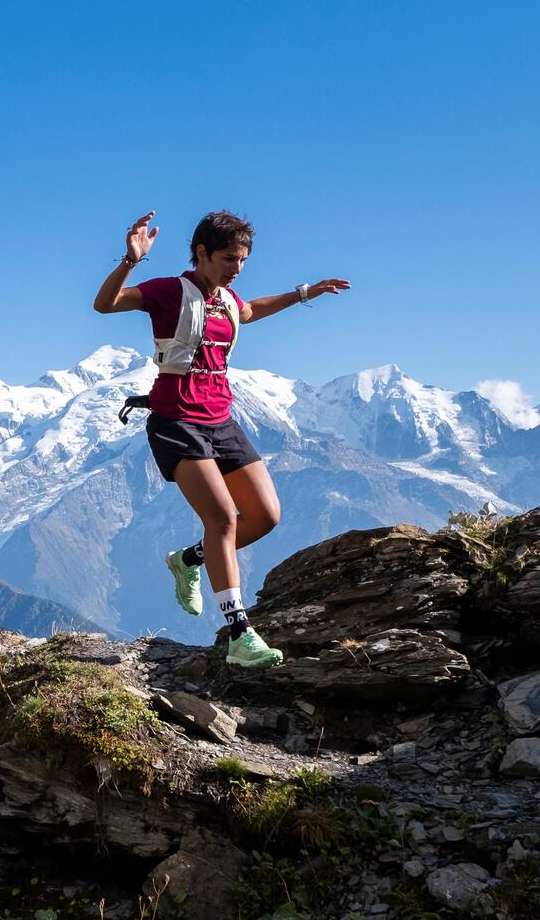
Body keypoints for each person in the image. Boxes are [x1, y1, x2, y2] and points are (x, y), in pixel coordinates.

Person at [92, 210, 349, 666]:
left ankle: (188, 560)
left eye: (244, 260)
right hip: (175, 422)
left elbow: (250, 311)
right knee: (225, 519)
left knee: (265, 516)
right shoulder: (169, 291)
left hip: (221, 420)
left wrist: (305, 292)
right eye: (229, 258)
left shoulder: (228, 299)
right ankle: (240, 636)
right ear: (202, 253)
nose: (237, 267)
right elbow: (105, 305)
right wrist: (130, 262)